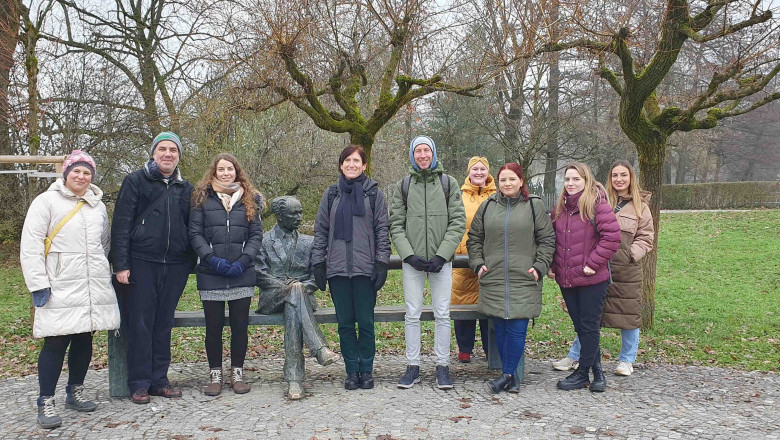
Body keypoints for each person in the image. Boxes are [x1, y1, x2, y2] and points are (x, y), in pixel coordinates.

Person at [20, 150, 120, 429]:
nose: (81, 176)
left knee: (84, 340)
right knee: (55, 342)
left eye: (87, 172)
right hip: (58, 285)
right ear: (65, 173)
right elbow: (30, 246)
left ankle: (75, 390)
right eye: (76, 171)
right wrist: (38, 284)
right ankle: (46, 400)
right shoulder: (46, 202)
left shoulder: (97, 205)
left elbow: (104, 245)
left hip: (90, 286)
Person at [110, 131, 195, 404]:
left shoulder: (187, 189)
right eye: (162, 149)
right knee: (140, 323)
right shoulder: (135, 181)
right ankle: (138, 382)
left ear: (179, 155)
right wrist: (121, 264)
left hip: (175, 265)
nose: (168, 154)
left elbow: (192, 227)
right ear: (153, 153)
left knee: (163, 324)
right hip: (141, 264)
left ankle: (159, 380)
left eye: (173, 150)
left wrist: (190, 259)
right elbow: (121, 225)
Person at [551, 160, 654, 377]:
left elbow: (645, 237)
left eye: (623, 175)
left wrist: (631, 254)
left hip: (624, 268)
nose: (619, 179)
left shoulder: (640, 206)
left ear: (631, 178)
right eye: (615, 175)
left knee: (628, 313)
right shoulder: (597, 199)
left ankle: (627, 359)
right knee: (590, 317)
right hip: (595, 267)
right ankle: (577, 356)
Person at [467, 163, 556, 393]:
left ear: (521, 181)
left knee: (517, 328)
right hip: (494, 276)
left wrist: (539, 267)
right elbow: (474, 238)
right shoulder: (488, 206)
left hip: (524, 276)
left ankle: (506, 375)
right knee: (501, 327)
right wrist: (478, 264)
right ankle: (512, 379)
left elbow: (547, 240)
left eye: (512, 179)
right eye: (503, 180)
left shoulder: (534, 205)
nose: (507, 184)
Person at [311, 146, 391, 390]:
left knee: (365, 323)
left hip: (365, 269)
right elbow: (321, 230)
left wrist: (381, 262)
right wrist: (318, 262)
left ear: (364, 165)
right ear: (341, 164)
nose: (352, 164)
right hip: (337, 270)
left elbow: (382, 230)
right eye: (347, 160)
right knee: (345, 324)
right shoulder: (331, 194)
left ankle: (366, 369)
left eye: (356, 160)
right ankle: (351, 370)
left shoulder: (374, 195)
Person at [389, 135, 466, 389]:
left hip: (440, 262)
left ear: (433, 153)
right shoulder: (404, 185)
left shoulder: (448, 183)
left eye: (427, 150)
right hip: (412, 263)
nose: (423, 155)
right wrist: (408, 255)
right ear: (412, 155)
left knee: (442, 313)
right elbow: (396, 225)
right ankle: (413, 365)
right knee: (412, 313)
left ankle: (442, 365)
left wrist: (442, 255)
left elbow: (457, 222)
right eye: (418, 151)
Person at [189, 153, 264, 396]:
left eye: (229, 169)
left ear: (236, 171)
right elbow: (195, 234)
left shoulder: (249, 199)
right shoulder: (202, 198)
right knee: (214, 327)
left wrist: (244, 261)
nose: (225, 173)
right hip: (212, 272)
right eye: (220, 169)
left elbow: (256, 235)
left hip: (242, 272)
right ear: (214, 172)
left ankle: (238, 373)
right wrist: (211, 259)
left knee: (240, 326)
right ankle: (215, 375)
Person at [255, 196, 339, 400]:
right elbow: (260, 274)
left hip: (302, 298)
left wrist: (298, 287)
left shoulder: (308, 242)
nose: (299, 217)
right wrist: (289, 286)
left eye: (301, 212)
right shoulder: (263, 241)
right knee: (295, 291)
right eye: (294, 213)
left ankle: (295, 380)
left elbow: (317, 277)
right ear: (280, 216)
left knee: (296, 298)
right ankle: (319, 349)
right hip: (272, 298)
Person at [548, 162, 621, 392]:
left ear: (586, 180)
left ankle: (582, 374)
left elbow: (612, 237)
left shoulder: (597, 204)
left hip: (591, 278)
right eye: (568, 179)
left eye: (576, 179)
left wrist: (593, 264)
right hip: (567, 278)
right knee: (581, 326)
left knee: (589, 326)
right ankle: (597, 370)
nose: (571, 184)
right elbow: (553, 239)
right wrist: (552, 265)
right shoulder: (560, 208)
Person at [451, 156, 496, 363]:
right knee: (462, 300)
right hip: (463, 258)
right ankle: (464, 348)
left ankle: (490, 348)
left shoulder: (497, 195)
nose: (479, 172)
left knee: (489, 303)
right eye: (475, 169)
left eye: (482, 169)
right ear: (468, 172)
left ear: (488, 172)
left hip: (490, 258)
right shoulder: (458, 196)